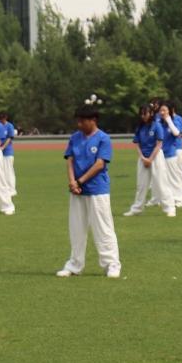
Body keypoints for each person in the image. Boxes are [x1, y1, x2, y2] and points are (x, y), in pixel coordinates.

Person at [56, 104, 121, 279]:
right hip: (77, 191)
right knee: (76, 229)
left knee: (103, 229)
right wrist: (72, 182)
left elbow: (100, 164)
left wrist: (80, 181)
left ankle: (111, 264)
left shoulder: (103, 138)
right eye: (78, 121)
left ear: (93, 120)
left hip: (97, 190)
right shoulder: (75, 137)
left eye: (82, 121)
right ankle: (75, 265)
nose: (79, 124)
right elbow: (70, 160)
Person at [124, 105, 176, 217]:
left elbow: (159, 144)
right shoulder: (140, 127)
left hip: (156, 157)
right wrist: (143, 158)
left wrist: (150, 159)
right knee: (141, 185)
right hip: (143, 157)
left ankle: (170, 207)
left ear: (151, 114)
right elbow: (137, 144)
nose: (143, 116)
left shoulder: (157, 126)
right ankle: (137, 208)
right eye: (141, 114)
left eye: (145, 113)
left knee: (161, 183)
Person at [164, 101, 182, 204]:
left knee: (181, 169)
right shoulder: (163, 120)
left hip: (178, 147)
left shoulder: (177, 118)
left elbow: (179, 133)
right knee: (172, 172)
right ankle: (173, 192)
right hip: (169, 148)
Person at [0, 112, 18, 198]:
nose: (2, 121)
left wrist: (3, 147)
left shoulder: (9, 126)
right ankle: (3, 189)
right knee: (1, 172)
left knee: (9, 171)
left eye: (3, 119)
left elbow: (9, 138)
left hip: (7, 152)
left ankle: (12, 189)